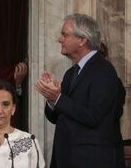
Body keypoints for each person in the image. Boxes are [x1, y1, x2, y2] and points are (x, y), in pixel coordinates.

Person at [36, 13, 125, 168]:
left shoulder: (103, 70)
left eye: (65, 35)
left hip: (90, 160)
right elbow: (56, 117)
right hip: (66, 157)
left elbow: (93, 116)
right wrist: (51, 99)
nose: (59, 39)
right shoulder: (71, 73)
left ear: (82, 40)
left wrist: (58, 98)